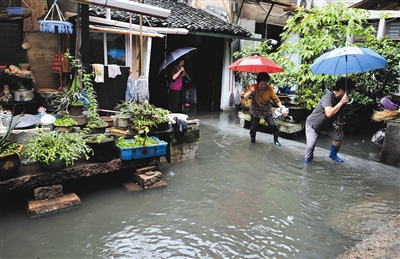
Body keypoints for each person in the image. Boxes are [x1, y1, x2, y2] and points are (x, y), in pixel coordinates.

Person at [304, 77, 355, 164]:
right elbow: (329, 113)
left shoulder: (342, 100)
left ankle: (333, 154)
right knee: (310, 146)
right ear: (342, 90)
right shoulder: (328, 97)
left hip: (326, 124)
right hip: (313, 124)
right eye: (349, 90)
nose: (349, 93)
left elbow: (341, 112)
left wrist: (340, 125)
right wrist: (341, 103)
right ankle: (307, 164)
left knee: (339, 136)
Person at [243, 72, 287, 146]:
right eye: (261, 84)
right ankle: (252, 140)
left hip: (266, 110)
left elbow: (276, 99)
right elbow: (245, 97)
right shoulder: (253, 87)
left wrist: (282, 108)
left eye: (265, 84)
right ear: (258, 83)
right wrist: (251, 91)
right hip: (255, 110)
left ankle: (276, 140)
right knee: (253, 128)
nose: (263, 86)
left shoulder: (269, 88)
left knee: (272, 125)